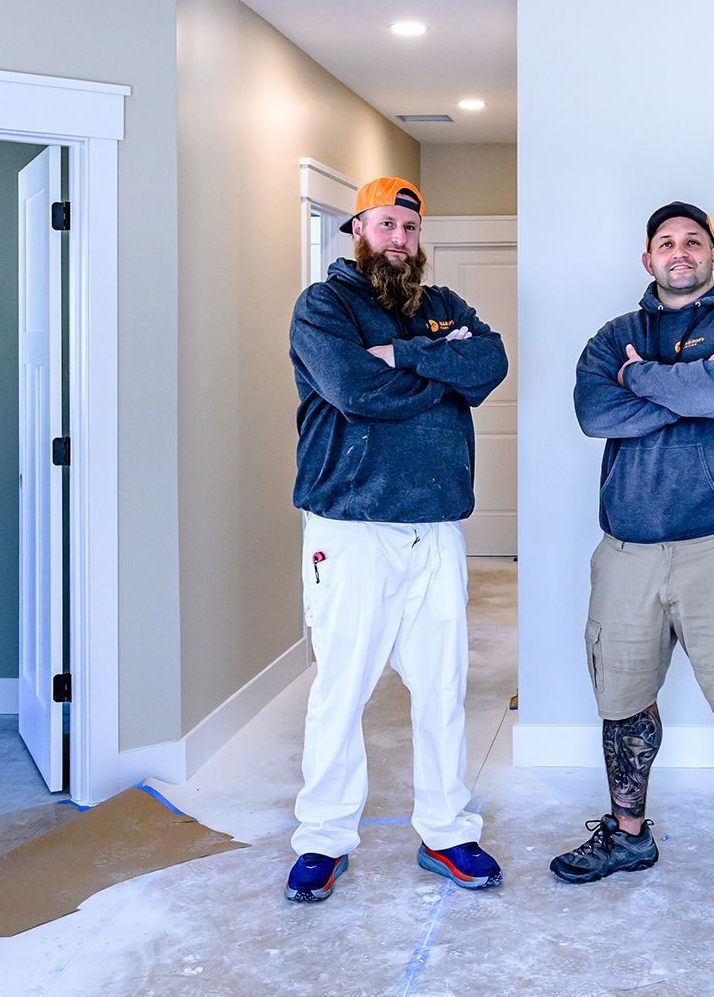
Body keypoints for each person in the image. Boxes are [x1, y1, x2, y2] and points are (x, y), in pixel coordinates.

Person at [551, 201, 714, 914]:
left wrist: (645, 380)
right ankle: (628, 835)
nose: (678, 252)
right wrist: (693, 389)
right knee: (624, 699)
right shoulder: (616, 335)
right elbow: (592, 413)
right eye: (665, 243)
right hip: (628, 550)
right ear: (647, 260)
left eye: (691, 241)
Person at [284, 176, 508, 902]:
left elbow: (490, 363)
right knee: (341, 688)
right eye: (386, 225)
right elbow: (355, 392)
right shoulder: (324, 306)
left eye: (409, 228)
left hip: (435, 523)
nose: (399, 239)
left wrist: (402, 355)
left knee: (442, 685)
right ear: (358, 230)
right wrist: (440, 373)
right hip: (351, 524)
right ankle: (323, 838)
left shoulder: (441, 307)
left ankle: (447, 831)